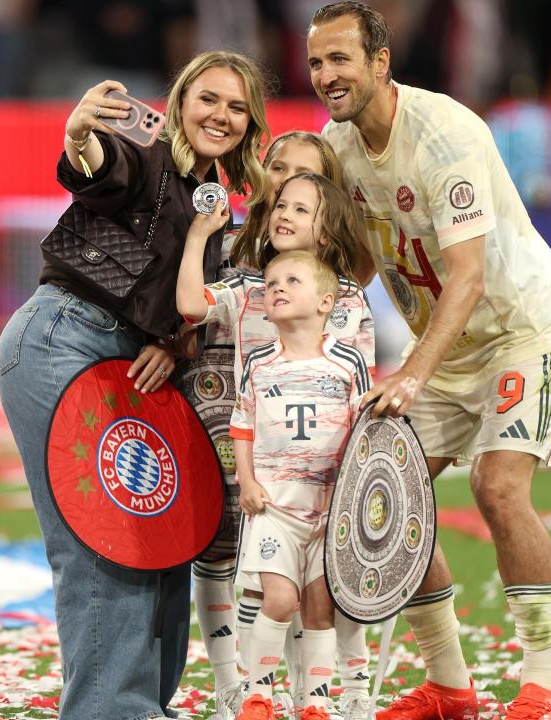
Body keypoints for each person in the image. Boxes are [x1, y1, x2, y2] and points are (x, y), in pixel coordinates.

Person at [306, 3, 551, 720]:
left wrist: (411, 373)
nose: (327, 75)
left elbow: (468, 276)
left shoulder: (445, 133)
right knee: (387, 498)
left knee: (497, 486)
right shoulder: (334, 146)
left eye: (340, 58)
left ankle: (543, 685)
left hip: (523, 330)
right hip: (444, 346)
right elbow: (360, 262)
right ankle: (450, 686)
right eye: (316, 62)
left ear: (381, 61)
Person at [0, 51, 269, 720]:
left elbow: (188, 304)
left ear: (251, 124)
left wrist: (172, 342)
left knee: (162, 537)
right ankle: (110, 711)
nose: (221, 115)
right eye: (208, 99)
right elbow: (100, 166)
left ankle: (142, 705)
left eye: (237, 107)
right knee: (104, 541)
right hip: (63, 341)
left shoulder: (214, 208)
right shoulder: (147, 154)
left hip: (124, 366)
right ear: (179, 104)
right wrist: (79, 137)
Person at [182, 134, 374, 720]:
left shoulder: (347, 302)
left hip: (324, 483)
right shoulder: (245, 282)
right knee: (255, 576)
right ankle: (244, 691)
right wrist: (199, 236)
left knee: (325, 593)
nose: (285, 196)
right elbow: (191, 307)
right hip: (258, 464)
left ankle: (338, 695)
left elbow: (360, 401)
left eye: (303, 190)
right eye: (279, 175)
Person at [229, 249, 371, 720]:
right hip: (274, 508)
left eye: (292, 281)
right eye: (271, 284)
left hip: (331, 512)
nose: (278, 288)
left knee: (319, 607)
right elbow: (242, 426)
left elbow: (365, 429)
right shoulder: (259, 363)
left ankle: (316, 702)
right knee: (280, 599)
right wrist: (247, 482)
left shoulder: (348, 362)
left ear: (326, 302)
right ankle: (257, 696)